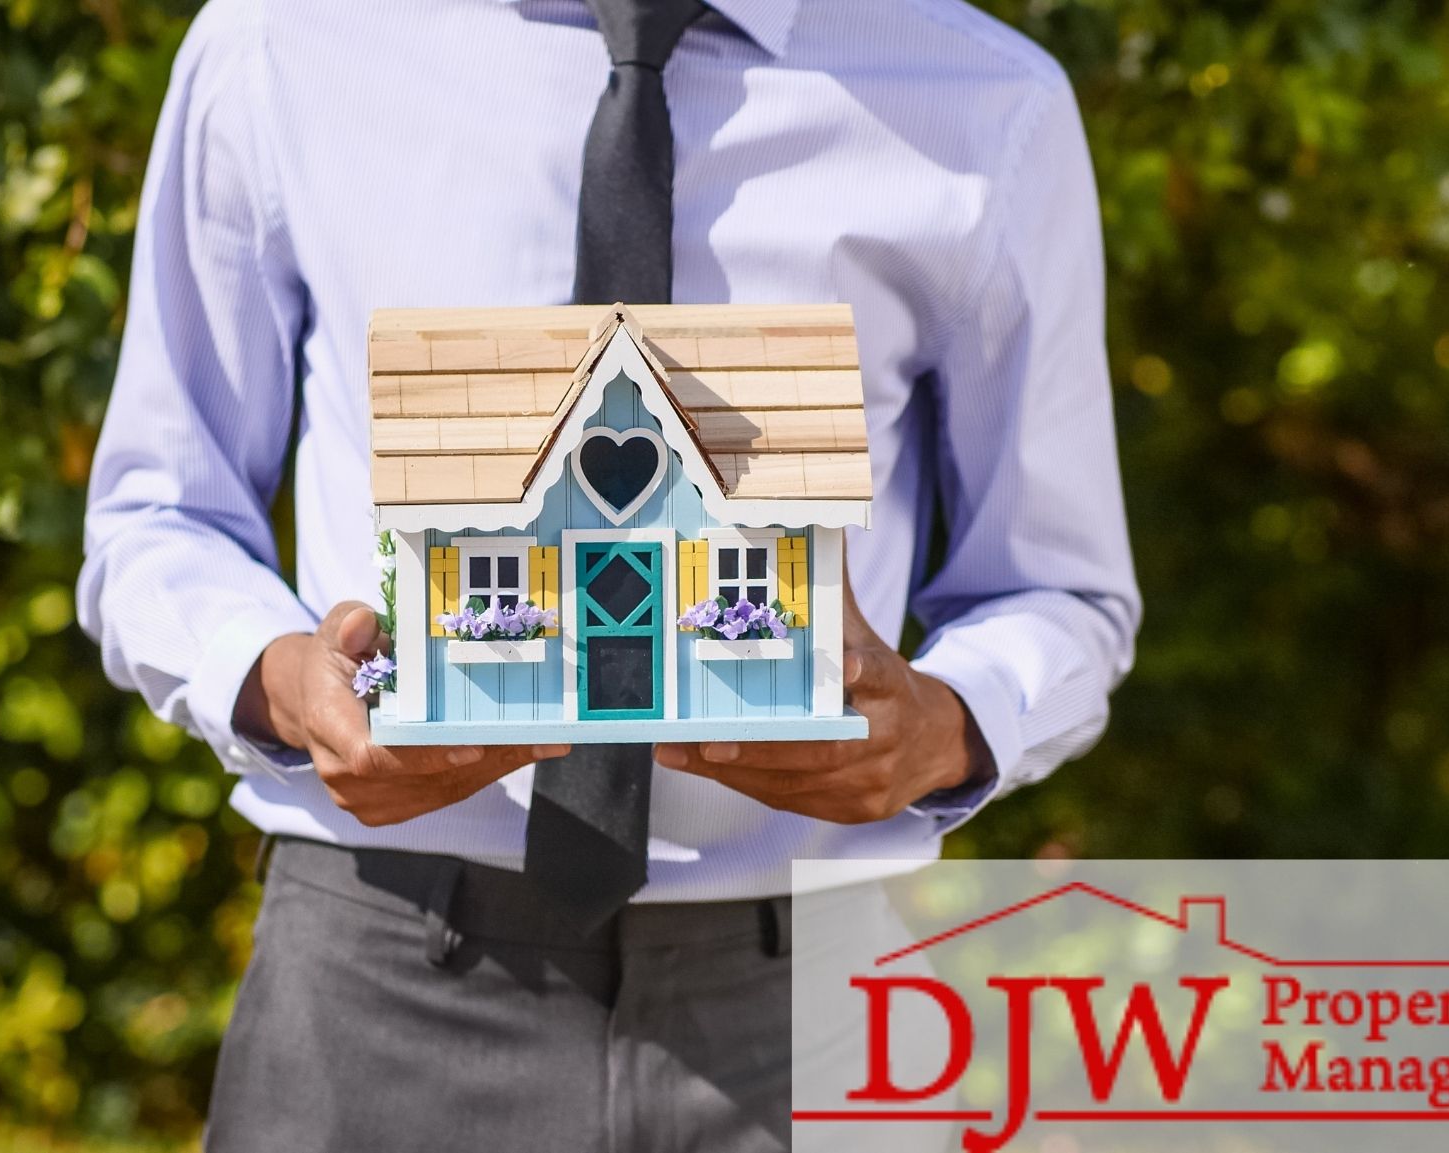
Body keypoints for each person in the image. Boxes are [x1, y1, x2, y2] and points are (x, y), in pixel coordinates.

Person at [77, 0, 1139, 1148]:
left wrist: (940, 727)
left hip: (808, 1016)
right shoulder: (279, 44)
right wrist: (279, 681)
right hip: (377, 986)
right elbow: (158, 512)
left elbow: (1059, 590)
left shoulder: (985, 102)